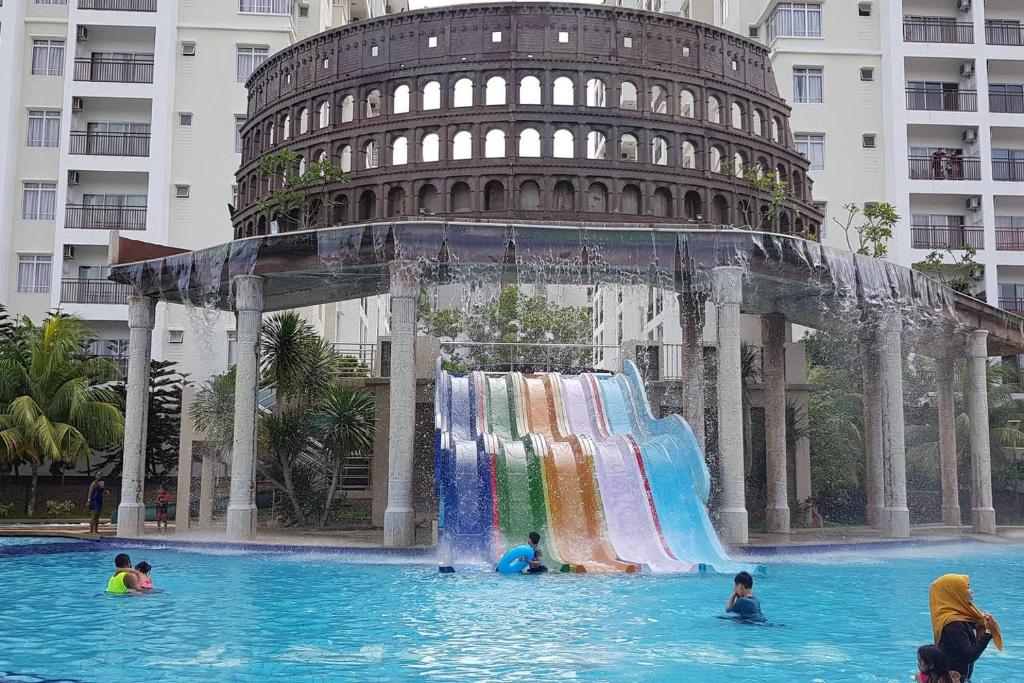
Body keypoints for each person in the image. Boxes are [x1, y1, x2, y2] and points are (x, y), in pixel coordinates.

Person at [930, 573, 1003, 681]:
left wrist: (979, 624)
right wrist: (988, 634)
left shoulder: (958, 618)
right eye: (967, 588)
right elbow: (969, 655)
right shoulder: (953, 623)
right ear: (955, 593)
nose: (972, 591)